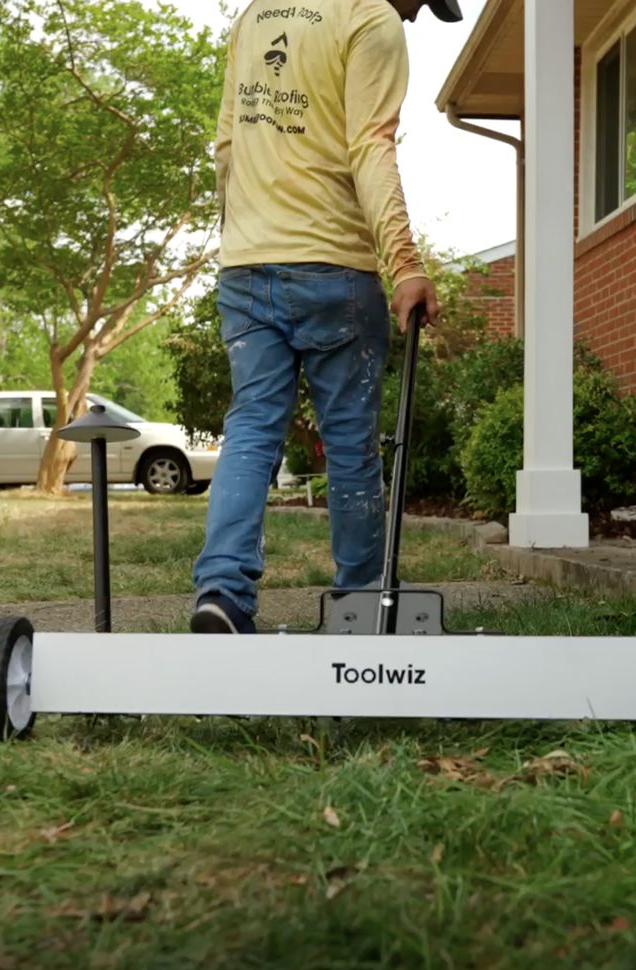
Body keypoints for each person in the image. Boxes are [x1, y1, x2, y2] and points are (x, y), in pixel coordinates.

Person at [191, 0, 464, 634]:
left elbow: (227, 146)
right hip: (333, 267)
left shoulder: (255, 16)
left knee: (253, 426)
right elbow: (370, 146)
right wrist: (404, 264)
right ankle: (361, 603)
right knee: (349, 441)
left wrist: (243, 246)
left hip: (246, 266)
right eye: (421, 2)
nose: (418, 15)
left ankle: (223, 592)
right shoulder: (371, 20)